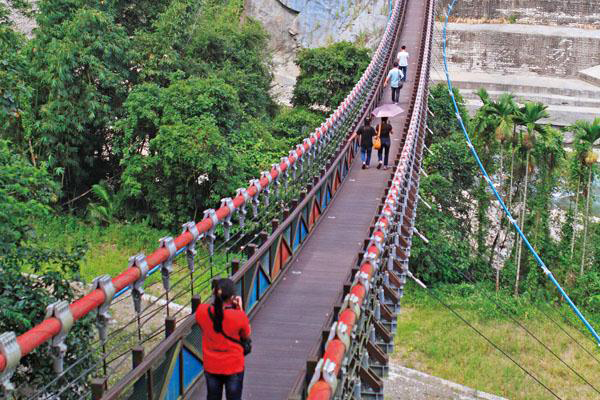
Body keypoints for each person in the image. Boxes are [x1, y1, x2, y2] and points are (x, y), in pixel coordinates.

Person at [196, 278, 251, 400]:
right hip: (233, 365)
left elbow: (203, 323)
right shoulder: (238, 316)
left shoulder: (201, 311)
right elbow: (246, 334)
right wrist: (239, 308)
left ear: (213, 293)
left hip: (211, 364)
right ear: (232, 298)